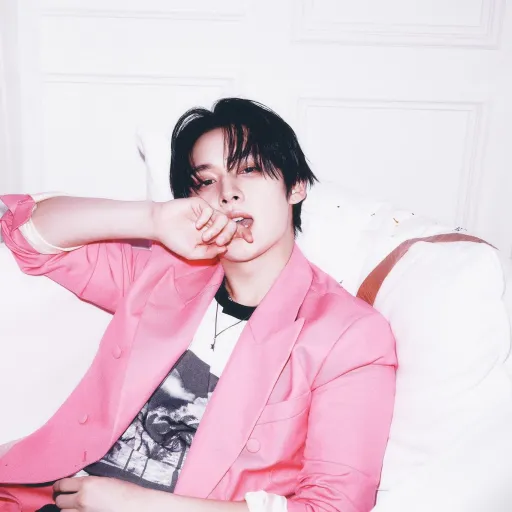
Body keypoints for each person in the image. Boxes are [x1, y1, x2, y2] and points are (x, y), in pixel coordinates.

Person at [0, 98, 397, 512]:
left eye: (249, 169)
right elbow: (26, 235)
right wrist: (154, 220)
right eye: (206, 181)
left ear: (295, 185)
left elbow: (335, 506)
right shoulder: (162, 275)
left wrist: (136, 505)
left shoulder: (347, 335)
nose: (228, 193)